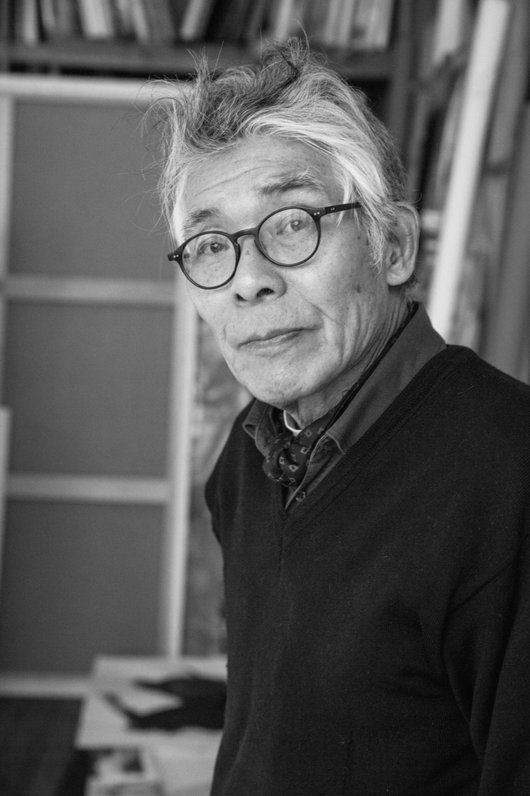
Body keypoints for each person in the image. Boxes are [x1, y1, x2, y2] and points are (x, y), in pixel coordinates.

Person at [151, 39, 530, 795]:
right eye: (211, 243)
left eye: (293, 223)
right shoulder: (249, 457)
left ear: (394, 246)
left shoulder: (510, 476)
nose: (249, 281)